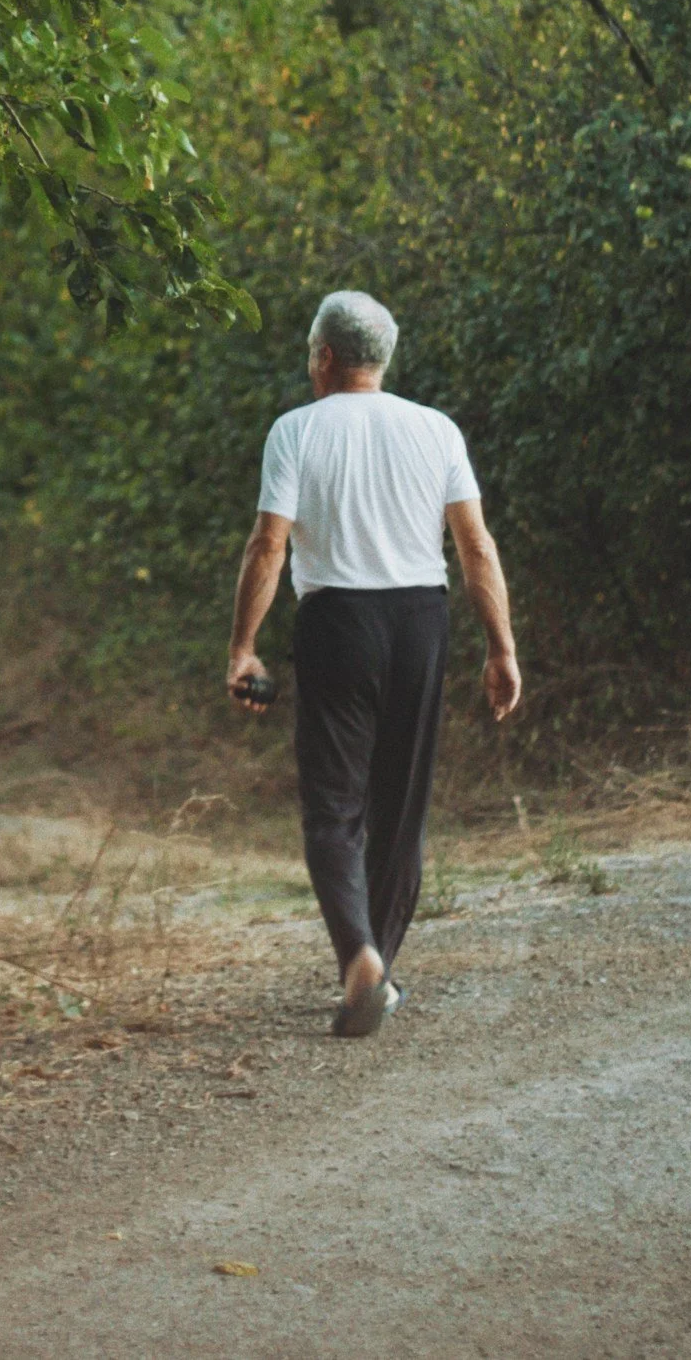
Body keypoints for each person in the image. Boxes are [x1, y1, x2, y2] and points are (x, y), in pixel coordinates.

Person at [225, 289, 522, 1037]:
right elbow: (476, 547)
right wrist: (501, 647)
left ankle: (358, 960)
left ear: (324, 357)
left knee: (333, 806)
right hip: (420, 620)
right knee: (401, 808)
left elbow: (268, 546)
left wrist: (242, 646)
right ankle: (376, 971)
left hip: (337, 622)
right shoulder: (435, 429)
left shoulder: (295, 431)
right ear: (379, 360)